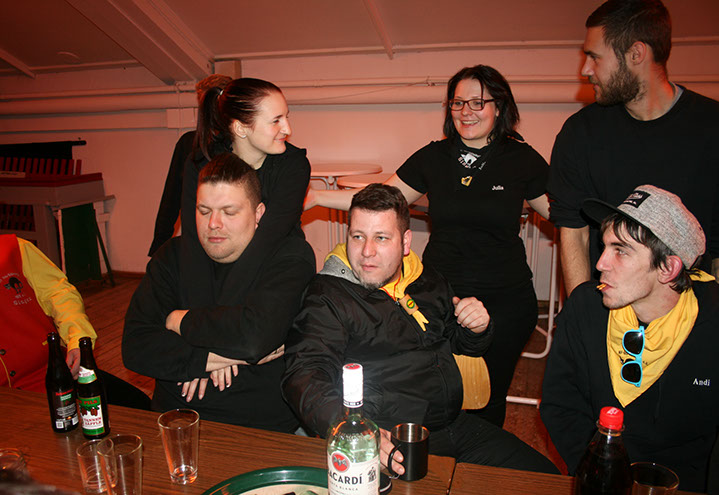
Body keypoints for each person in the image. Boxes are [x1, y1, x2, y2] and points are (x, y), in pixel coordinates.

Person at [306, 65, 549, 427]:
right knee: (435, 391)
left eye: (478, 102)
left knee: (489, 395)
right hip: (440, 297)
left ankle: (480, 457)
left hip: (506, 299)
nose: (466, 111)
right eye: (457, 102)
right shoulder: (434, 157)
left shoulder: (522, 159)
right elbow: (382, 198)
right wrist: (315, 196)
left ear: (499, 107)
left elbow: (563, 213)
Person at [283, 184, 558, 475]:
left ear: (405, 242)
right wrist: (353, 430)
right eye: (357, 236)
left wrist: (476, 328)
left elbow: (461, 344)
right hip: (386, 437)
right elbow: (304, 372)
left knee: (544, 477)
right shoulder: (329, 295)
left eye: (381, 238)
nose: (366, 252)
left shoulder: (425, 279)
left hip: (453, 426)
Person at [540, 185, 719, 492]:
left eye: (620, 251)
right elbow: (561, 406)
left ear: (668, 267)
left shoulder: (711, 325)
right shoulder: (585, 307)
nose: (600, 264)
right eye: (605, 246)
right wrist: (598, 473)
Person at [124, 153, 315, 432]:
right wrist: (204, 360)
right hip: (176, 422)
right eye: (204, 211)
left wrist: (180, 321)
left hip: (260, 428)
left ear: (258, 214)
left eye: (229, 212)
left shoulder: (289, 257)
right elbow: (136, 347)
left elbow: (253, 338)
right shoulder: (171, 257)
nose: (213, 223)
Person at [547, 0, 719, 296]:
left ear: (636, 54)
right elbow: (574, 234)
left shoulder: (712, 128)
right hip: (608, 309)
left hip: (692, 312)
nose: (585, 69)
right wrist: (582, 313)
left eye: (594, 57)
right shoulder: (580, 133)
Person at [179, 77, 311, 309]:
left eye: (286, 117)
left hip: (274, 270)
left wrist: (218, 314)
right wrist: (197, 311)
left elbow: (267, 240)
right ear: (240, 128)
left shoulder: (293, 166)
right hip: (218, 268)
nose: (287, 129)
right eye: (276, 121)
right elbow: (193, 240)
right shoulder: (201, 163)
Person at [0, 234, 149, 409]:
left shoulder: (12, 248)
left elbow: (58, 293)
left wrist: (77, 338)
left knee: (140, 406)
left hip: (52, 372)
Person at [148, 74, 233, 257]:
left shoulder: (242, 143)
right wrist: (159, 247)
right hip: (200, 239)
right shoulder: (189, 143)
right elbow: (171, 198)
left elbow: (171, 199)